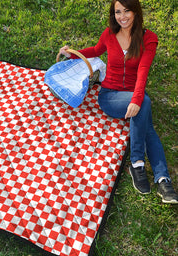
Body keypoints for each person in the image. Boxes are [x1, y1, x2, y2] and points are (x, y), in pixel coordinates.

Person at [59, 0, 178, 204]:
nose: (122, 16)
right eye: (118, 12)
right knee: (145, 107)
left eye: (127, 11)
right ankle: (142, 165)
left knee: (145, 117)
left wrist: (136, 99)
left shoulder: (149, 39)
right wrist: (72, 54)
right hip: (110, 96)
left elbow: (143, 71)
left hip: (132, 93)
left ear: (136, 11)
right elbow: (96, 50)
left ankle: (160, 177)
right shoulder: (109, 34)